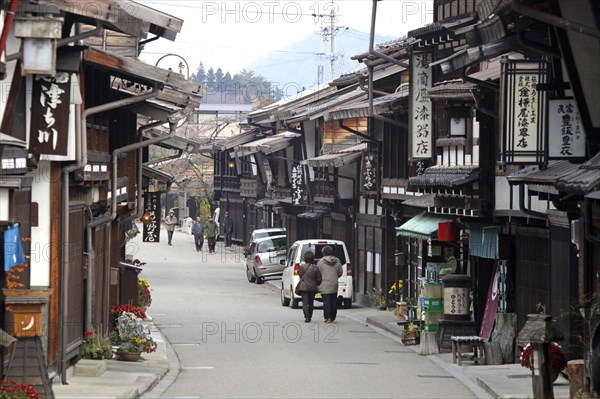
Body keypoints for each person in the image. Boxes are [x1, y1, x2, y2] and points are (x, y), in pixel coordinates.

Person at [317, 245, 343, 323]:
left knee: (326, 302)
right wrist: (335, 277)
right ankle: (333, 317)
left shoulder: (320, 262)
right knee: (333, 301)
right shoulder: (337, 261)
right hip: (334, 283)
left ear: (323, 253)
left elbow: (318, 274)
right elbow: (340, 272)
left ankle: (327, 317)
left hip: (324, 284)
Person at [297, 251, 321, 323]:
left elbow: (299, 274)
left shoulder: (302, 267)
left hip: (304, 287)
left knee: (305, 303)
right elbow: (319, 279)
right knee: (311, 302)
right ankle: (310, 316)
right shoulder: (315, 268)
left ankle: (306, 317)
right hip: (312, 288)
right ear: (313, 258)